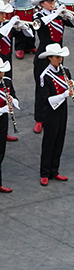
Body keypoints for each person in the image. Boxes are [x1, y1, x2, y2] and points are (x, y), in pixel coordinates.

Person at [31, 0, 74, 134]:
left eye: (54, 1)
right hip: (44, 55)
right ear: (42, 4)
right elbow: (39, 25)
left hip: (58, 54)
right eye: (50, 1)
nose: (53, 3)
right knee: (41, 88)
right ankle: (39, 119)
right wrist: (56, 13)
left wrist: (70, 15)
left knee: (58, 84)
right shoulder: (38, 15)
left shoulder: (59, 15)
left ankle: (55, 113)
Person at [37, 43, 74, 185]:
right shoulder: (45, 76)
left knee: (59, 139)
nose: (60, 59)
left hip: (62, 110)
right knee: (49, 141)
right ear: (50, 58)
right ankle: (45, 172)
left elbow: (67, 89)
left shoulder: (65, 71)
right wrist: (64, 94)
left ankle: (54, 170)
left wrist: (71, 87)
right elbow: (46, 99)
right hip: (50, 112)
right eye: (57, 57)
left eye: (61, 57)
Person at [0, 60, 18, 193]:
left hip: (3, 120)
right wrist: (4, 108)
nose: (2, 73)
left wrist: (12, 101)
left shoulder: (7, 82)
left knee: (1, 150)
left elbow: (16, 99)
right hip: (2, 113)